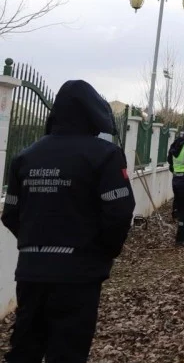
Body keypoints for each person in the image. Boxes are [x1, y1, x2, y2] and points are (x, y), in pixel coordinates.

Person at [1, 80, 135, 363]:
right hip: (78, 276)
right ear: (93, 114)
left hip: (31, 273)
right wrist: (102, 252)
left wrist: (35, 243)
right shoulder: (105, 154)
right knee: (68, 351)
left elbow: (11, 213)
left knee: (25, 349)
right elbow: (119, 212)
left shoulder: (24, 157)